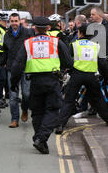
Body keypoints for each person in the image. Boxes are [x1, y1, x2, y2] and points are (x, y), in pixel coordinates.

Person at [10, 17, 73, 154]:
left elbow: (17, 65)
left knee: (37, 112)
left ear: (35, 28)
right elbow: (69, 62)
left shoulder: (28, 43)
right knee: (53, 110)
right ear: (48, 28)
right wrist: (60, 68)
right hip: (52, 80)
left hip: (35, 81)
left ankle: (40, 139)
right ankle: (41, 138)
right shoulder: (56, 42)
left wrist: (14, 84)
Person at [55, 23, 108, 134]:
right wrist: (105, 75)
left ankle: (60, 126)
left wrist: (68, 70)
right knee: (98, 99)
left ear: (80, 33)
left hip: (77, 75)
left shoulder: (74, 45)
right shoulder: (96, 45)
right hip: (91, 76)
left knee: (69, 100)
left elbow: (67, 60)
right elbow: (103, 63)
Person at [0, 13, 35, 128]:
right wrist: (0, 63)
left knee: (27, 94)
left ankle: (25, 109)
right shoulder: (7, 35)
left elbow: (33, 49)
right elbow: (5, 53)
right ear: (9, 22)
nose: (14, 23)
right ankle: (14, 119)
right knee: (13, 96)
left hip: (26, 67)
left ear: (20, 21)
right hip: (12, 68)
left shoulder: (28, 32)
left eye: (16, 21)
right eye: (12, 21)